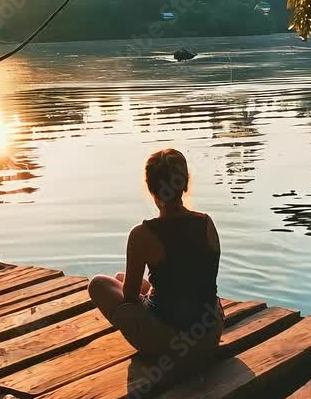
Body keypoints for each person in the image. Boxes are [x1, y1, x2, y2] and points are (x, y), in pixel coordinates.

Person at [88, 148, 224, 360]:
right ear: (185, 183)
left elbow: (131, 297)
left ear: (151, 188)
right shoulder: (207, 223)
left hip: (174, 343)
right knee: (120, 279)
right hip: (210, 334)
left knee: (99, 284)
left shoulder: (142, 234)